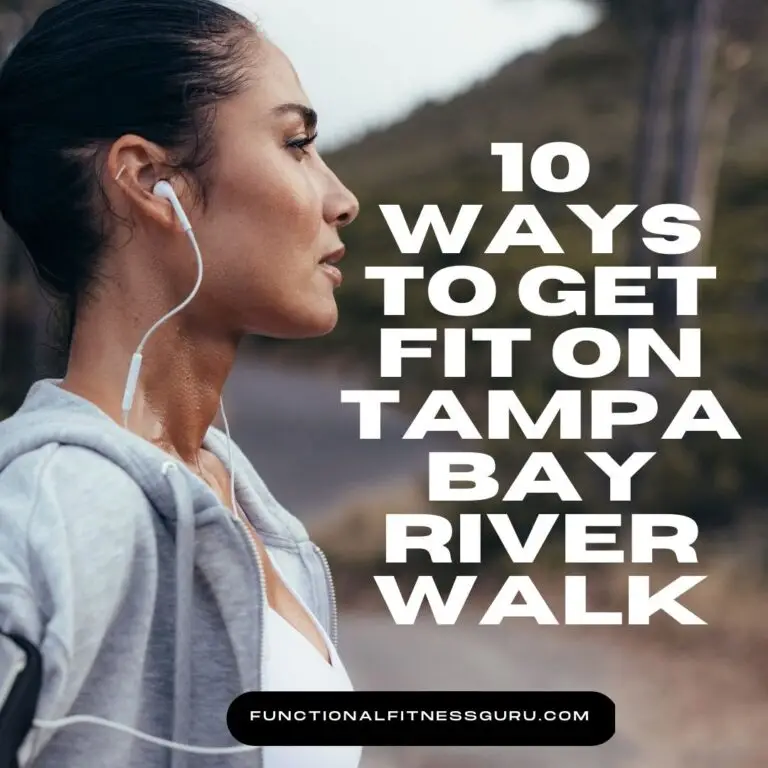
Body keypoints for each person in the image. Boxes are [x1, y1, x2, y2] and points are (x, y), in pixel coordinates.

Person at [0, 0, 361, 766]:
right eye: (296, 144)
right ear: (150, 179)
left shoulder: (245, 507)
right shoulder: (42, 514)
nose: (341, 199)